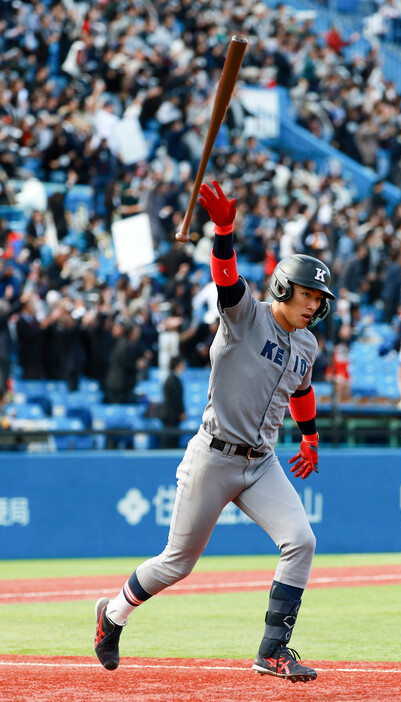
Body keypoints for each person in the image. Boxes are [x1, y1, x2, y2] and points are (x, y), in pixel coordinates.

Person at [94, 180, 336, 683]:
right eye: (308, 294)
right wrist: (223, 231)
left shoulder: (307, 344)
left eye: (319, 298)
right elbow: (227, 280)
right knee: (177, 563)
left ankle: (273, 650)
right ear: (284, 289)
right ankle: (112, 613)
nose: (313, 305)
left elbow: (302, 390)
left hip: (261, 461)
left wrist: (310, 436)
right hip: (214, 455)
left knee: (301, 540)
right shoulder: (246, 317)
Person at [160, 355, 186, 448]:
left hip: (171, 415)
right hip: (171, 416)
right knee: (169, 442)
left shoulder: (172, 378)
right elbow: (176, 399)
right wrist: (181, 412)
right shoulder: (173, 380)